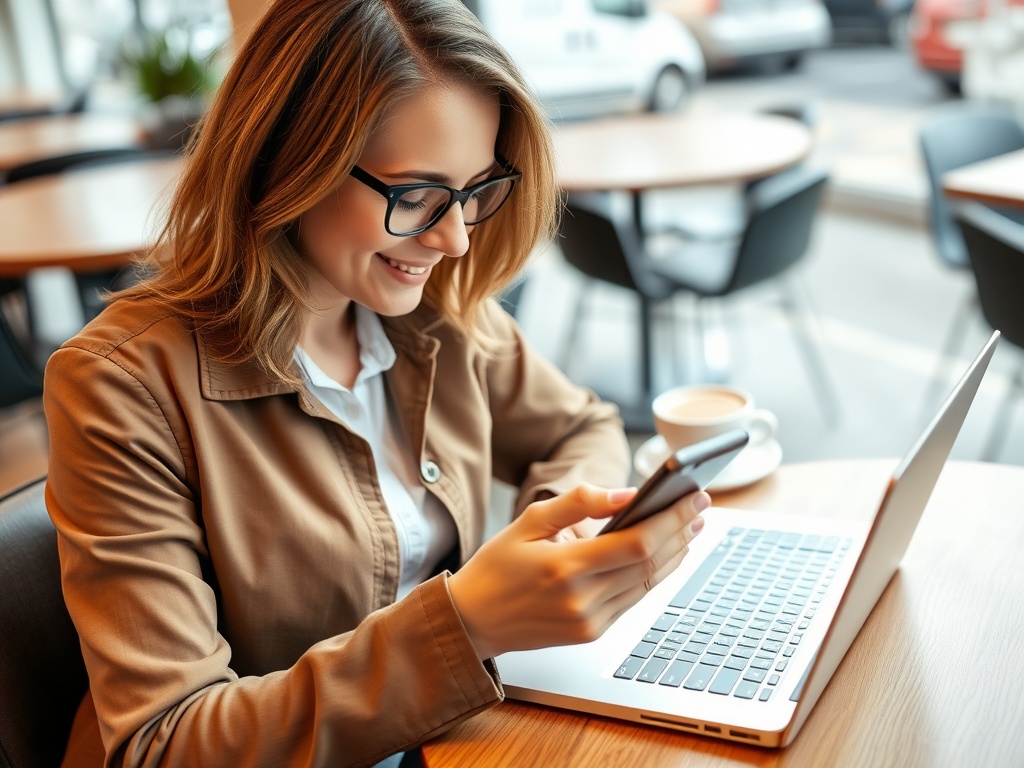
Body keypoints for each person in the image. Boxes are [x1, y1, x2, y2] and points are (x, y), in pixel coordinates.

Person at [43, 1, 710, 766]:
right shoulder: (121, 388)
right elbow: (165, 743)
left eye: (473, 191)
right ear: (287, 162)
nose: (455, 238)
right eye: (417, 195)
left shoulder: (438, 316)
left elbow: (581, 428)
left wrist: (567, 531)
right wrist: (467, 625)